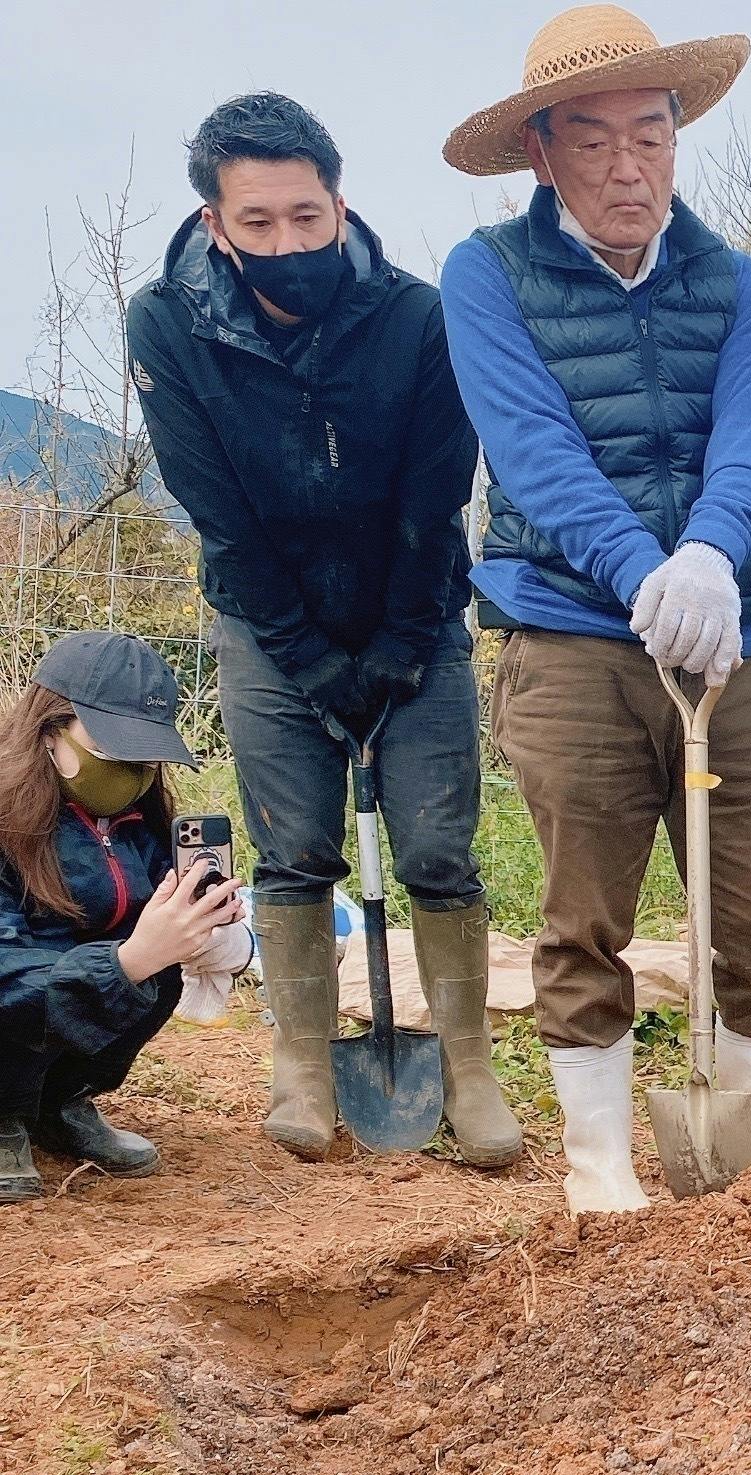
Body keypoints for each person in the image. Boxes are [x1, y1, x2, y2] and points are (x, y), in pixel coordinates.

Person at [441, 6, 751, 1211]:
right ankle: (601, 1157)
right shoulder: (487, 276)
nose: (627, 168)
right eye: (594, 141)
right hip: (570, 636)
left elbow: (747, 445)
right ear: (543, 154)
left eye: (650, 136)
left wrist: (711, 557)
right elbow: (535, 453)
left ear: (677, 138)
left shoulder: (733, 282)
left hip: (731, 640)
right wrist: (641, 571)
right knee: (586, 909)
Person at [127, 94, 521, 1171]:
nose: (288, 243)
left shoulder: (417, 316)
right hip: (264, 617)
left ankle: (471, 1067)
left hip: (413, 602)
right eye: (259, 225)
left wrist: (396, 644)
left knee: (438, 846)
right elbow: (218, 509)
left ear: (340, 205)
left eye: (308, 218)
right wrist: (305, 654)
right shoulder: (169, 322)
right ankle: (302, 1063)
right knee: (294, 846)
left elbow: (436, 494)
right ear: (215, 223)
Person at [0, 634, 248, 1203]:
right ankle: (3, 1111)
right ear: (49, 729)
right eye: (118, 752)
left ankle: (57, 1102)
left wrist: (217, 936)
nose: (136, 771)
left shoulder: (141, 821)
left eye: (148, 755)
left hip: (59, 1001)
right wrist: (130, 958)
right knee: (127, 964)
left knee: (156, 966)